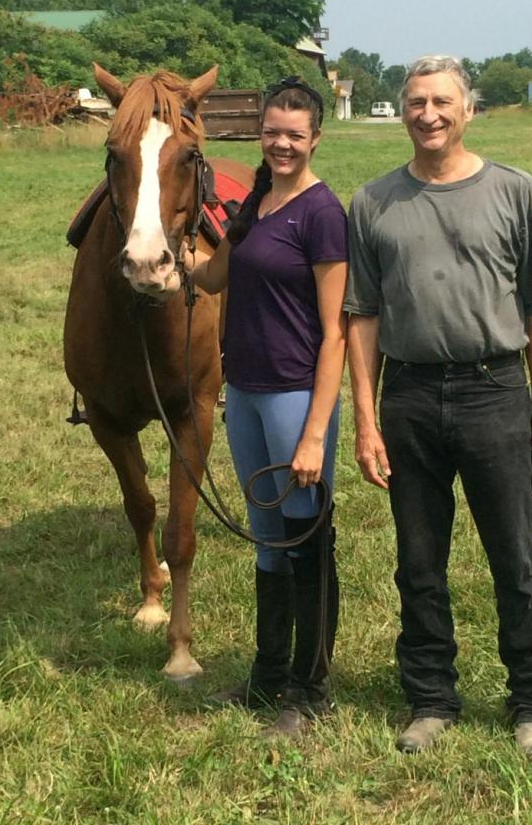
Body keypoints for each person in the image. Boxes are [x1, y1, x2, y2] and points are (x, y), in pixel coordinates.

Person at [344, 56, 532, 758]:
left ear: (467, 110)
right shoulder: (372, 202)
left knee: (514, 555)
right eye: (416, 102)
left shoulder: (514, 190)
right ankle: (431, 699)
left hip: (494, 390)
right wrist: (366, 420)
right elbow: (362, 317)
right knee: (418, 560)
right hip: (408, 396)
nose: (429, 114)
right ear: (403, 112)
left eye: (442, 101)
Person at [185, 78, 348, 738]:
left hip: (295, 395)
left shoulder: (322, 213)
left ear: (315, 139)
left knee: (306, 539)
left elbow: (336, 333)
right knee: (267, 542)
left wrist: (313, 435)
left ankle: (310, 690)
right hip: (246, 394)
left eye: (294, 134)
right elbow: (214, 274)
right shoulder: (255, 200)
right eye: (273, 131)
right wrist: (171, 257)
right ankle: (267, 676)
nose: (282, 143)